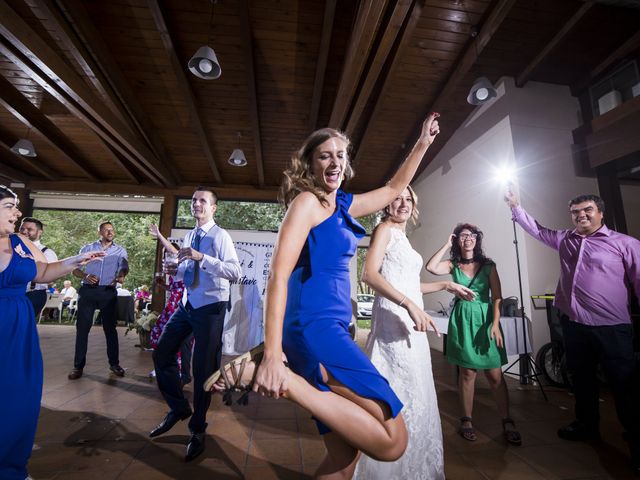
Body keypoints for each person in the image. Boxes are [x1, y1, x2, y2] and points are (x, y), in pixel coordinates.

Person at [210, 113, 441, 479]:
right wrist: (273, 355)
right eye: (325, 155)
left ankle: (289, 380)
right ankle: (285, 381)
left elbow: (394, 188)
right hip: (313, 329)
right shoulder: (306, 204)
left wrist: (423, 143)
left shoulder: (344, 204)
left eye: (341, 155)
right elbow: (277, 277)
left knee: (343, 458)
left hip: (328, 325)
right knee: (392, 441)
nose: (334, 162)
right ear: (311, 163)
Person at [505, 189, 640, 471]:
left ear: (600, 213)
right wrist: (516, 206)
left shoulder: (625, 244)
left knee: (625, 386)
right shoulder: (565, 239)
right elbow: (538, 230)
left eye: (587, 210)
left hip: (613, 328)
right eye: (576, 212)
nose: (581, 216)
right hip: (574, 325)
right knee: (581, 380)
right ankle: (587, 426)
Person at [354, 186, 475, 480]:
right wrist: (408, 304)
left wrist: (446, 285)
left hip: (412, 320)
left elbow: (408, 284)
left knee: (416, 388)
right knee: (397, 386)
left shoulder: (404, 239)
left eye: (408, 199)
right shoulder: (384, 229)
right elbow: (368, 275)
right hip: (394, 320)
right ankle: (387, 464)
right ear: (387, 205)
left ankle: (413, 465)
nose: (403, 204)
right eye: (397, 198)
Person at [0, 185, 104, 479]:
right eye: (10, 206)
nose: (18, 213)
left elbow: (44, 272)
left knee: (19, 397)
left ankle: (11, 468)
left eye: (17, 206)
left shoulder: (21, 243)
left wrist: (75, 261)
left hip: (18, 330)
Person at [149, 187, 241, 462]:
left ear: (213, 208)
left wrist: (202, 258)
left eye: (202, 200)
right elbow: (188, 272)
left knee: (203, 370)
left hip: (211, 307)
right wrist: (174, 272)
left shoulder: (220, 235)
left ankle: (198, 429)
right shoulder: (190, 235)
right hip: (187, 305)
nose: (196, 204)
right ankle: (178, 408)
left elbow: (235, 271)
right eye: (193, 200)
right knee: (162, 353)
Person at [426, 223, 521, 446]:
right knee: (467, 373)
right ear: (457, 241)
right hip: (461, 318)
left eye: (472, 235)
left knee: (494, 374)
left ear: (477, 240)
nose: (467, 238)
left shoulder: (488, 265)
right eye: (462, 236)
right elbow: (431, 267)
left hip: (485, 319)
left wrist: (495, 324)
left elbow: (497, 296)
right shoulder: (453, 264)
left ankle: (507, 420)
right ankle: (466, 420)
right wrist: (446, 244)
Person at [68, 221, 129, 380]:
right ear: (99, 232)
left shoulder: (120, 250)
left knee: (110, 329)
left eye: (112, 230)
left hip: (108, 292)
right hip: (87, 292)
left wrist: (121, 275)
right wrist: (86, 276)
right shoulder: (87, 249)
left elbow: (124, 266)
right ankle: (78, 366)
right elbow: (75, 269)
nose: (110, 232)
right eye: (106, 230)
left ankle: (114, 364)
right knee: (82, 329)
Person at [148, 226, 192, 385]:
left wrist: (160, 235)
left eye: (169, 255)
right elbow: (175, 287)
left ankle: (177, 371)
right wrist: (164, 286)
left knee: (172, 338)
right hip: (172, 304)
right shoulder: (173, 270)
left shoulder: (183, 263)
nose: (167, 257)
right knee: (160, 336)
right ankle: (164, 368)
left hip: (180, 306)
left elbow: (173, 251)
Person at [19, 217, 58, 318]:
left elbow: (51, 278)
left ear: (39, 232)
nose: (24, 231)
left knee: (24, 323)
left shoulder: (47, 253)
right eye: (22, 228)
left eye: (29, 229)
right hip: (11, 293)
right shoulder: (11, 247)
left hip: (33, 294)